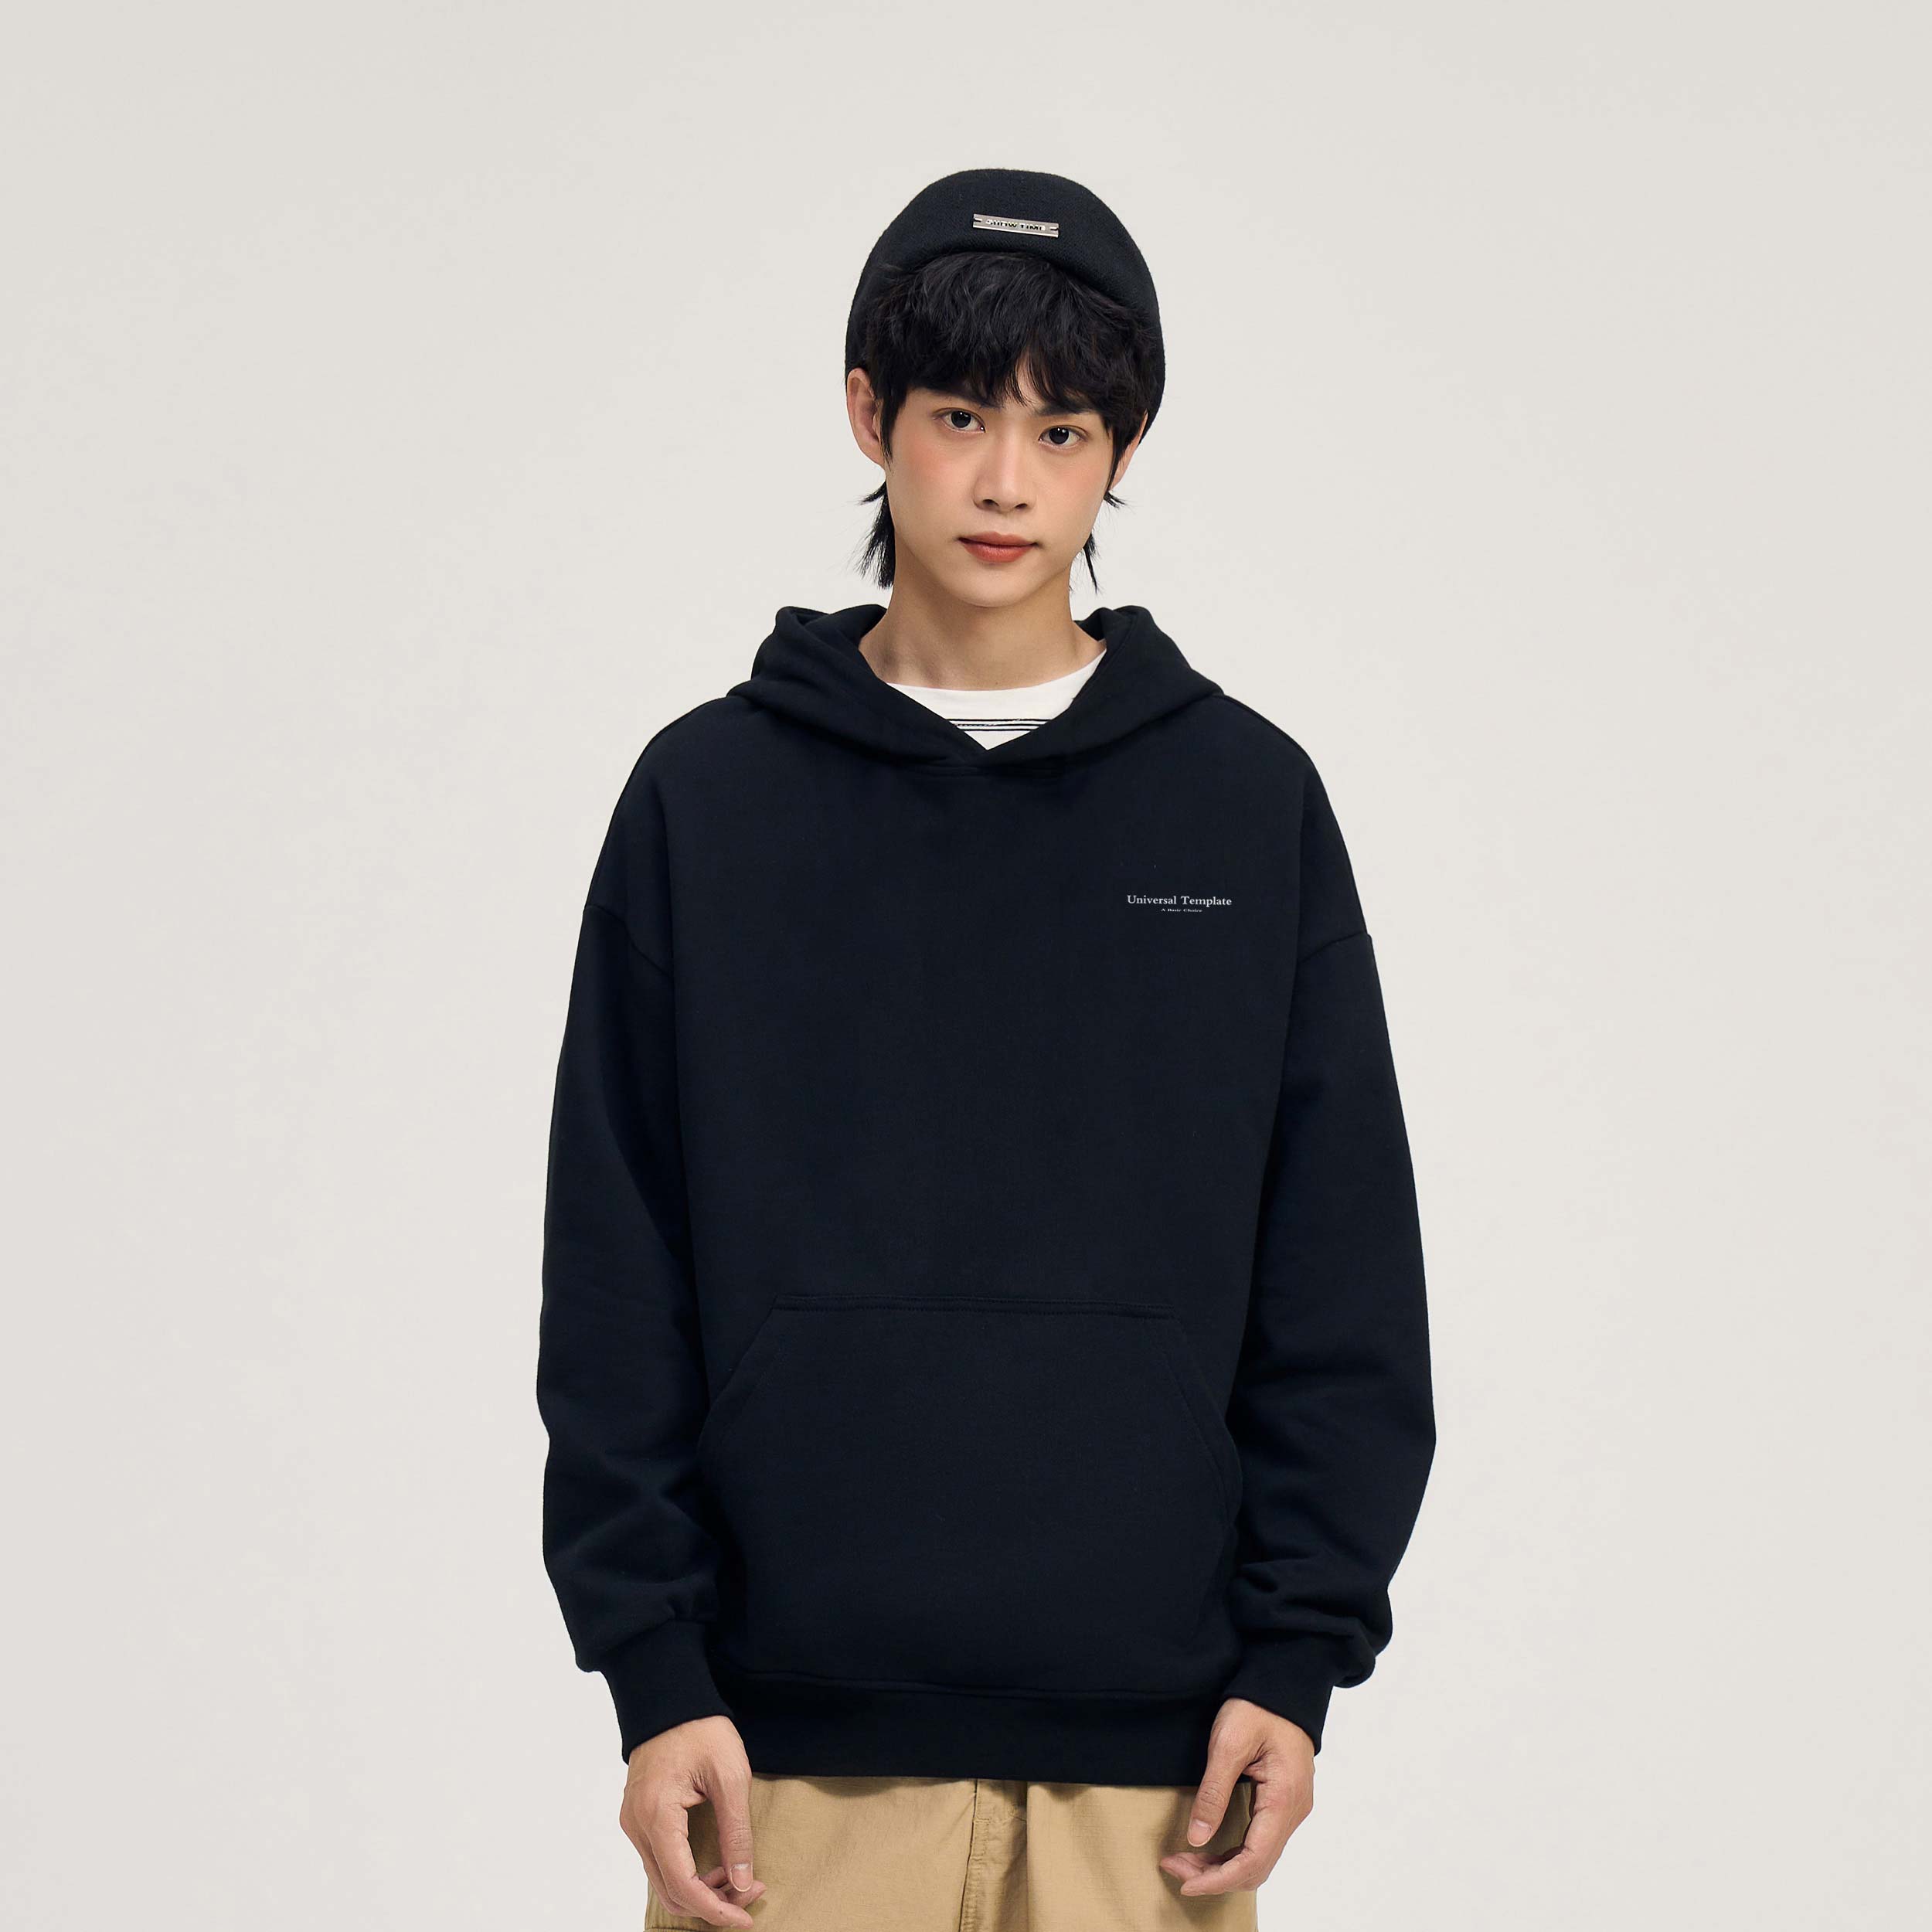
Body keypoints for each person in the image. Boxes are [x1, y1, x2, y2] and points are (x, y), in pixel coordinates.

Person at [536, 167, 1436, 1931]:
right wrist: (653, 1670)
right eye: (960, 417)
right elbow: (614, 1266)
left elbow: (1339, 1265)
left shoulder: (1244, 803)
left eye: (1062, 428)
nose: (1008, 480)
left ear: (1122, 449)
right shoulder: (708, 802)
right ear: (869, 413)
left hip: (1157, 1779)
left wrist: (1298, 1653)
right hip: (776, 1770)